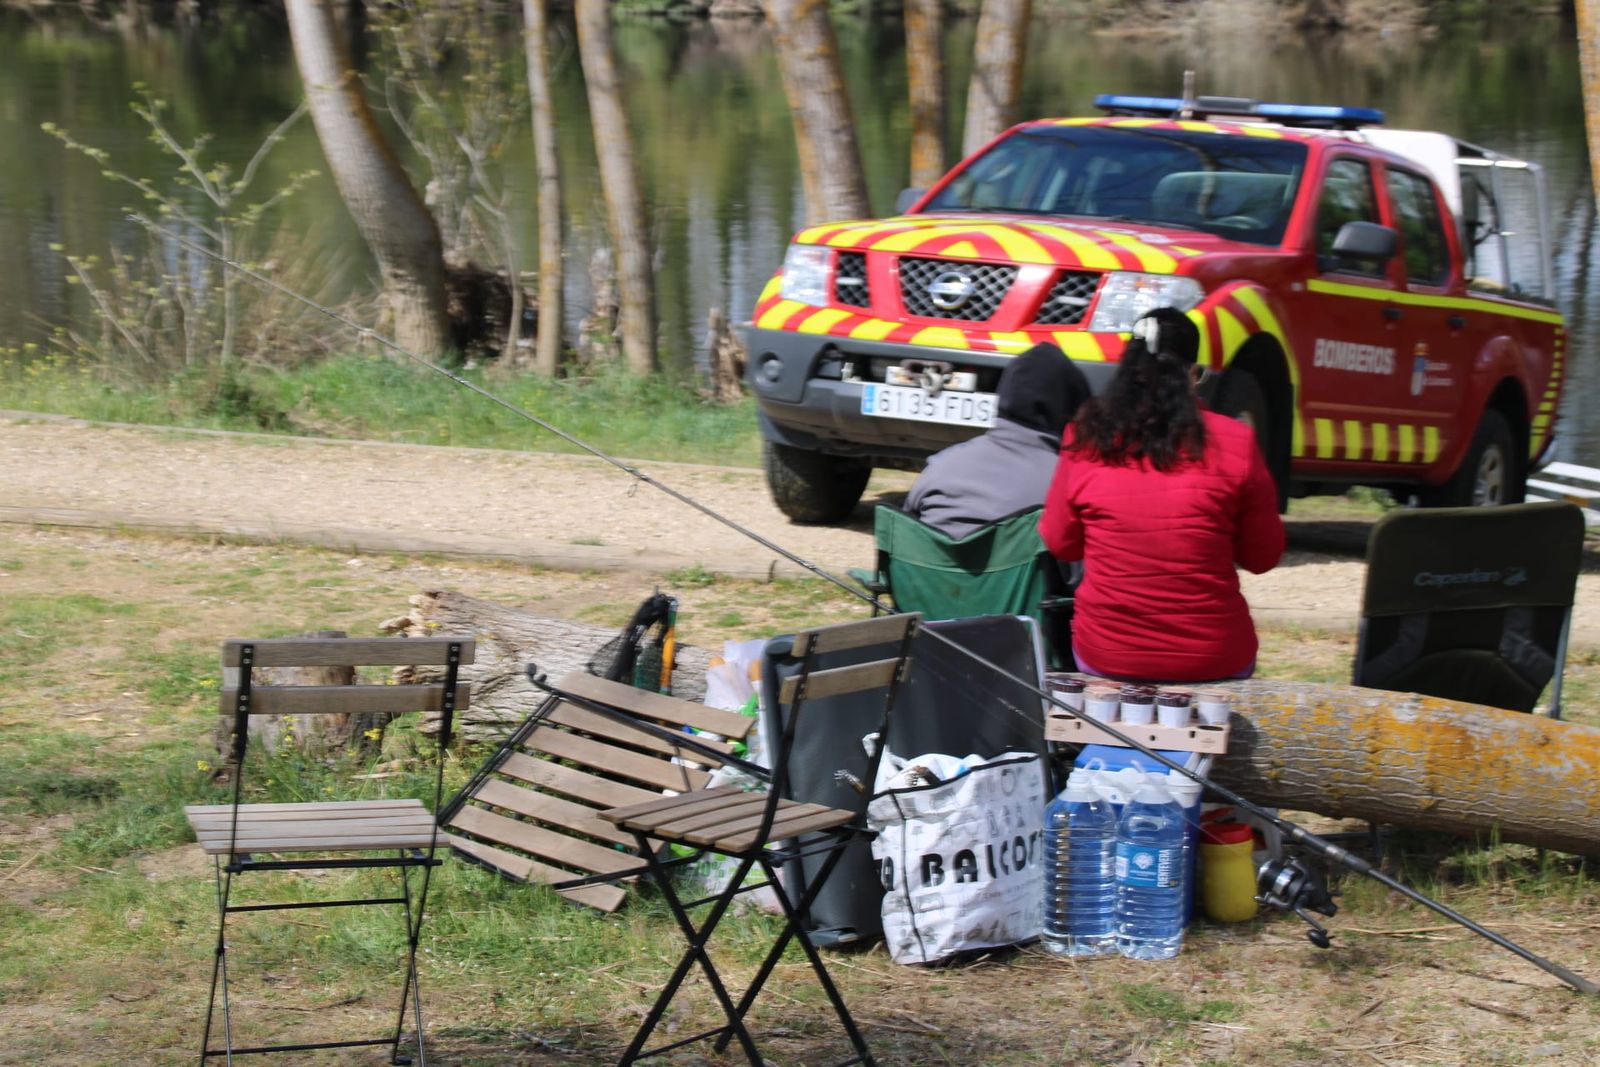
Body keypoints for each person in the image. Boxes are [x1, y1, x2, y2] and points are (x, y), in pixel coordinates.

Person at [1039, 308, 1285, 682]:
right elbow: (1262, 557)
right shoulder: (1236, 441)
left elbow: (1061, 543)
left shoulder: (1085, 436)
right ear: (1191, 374)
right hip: (1212, 655)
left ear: (1127, 369)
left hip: (1107, 652)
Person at [904, 342, 1092, 538]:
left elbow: (907, 529)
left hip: (930, 567)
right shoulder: (1069, 484)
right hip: (1027, 567)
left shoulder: (941, 465)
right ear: (1071, 408)